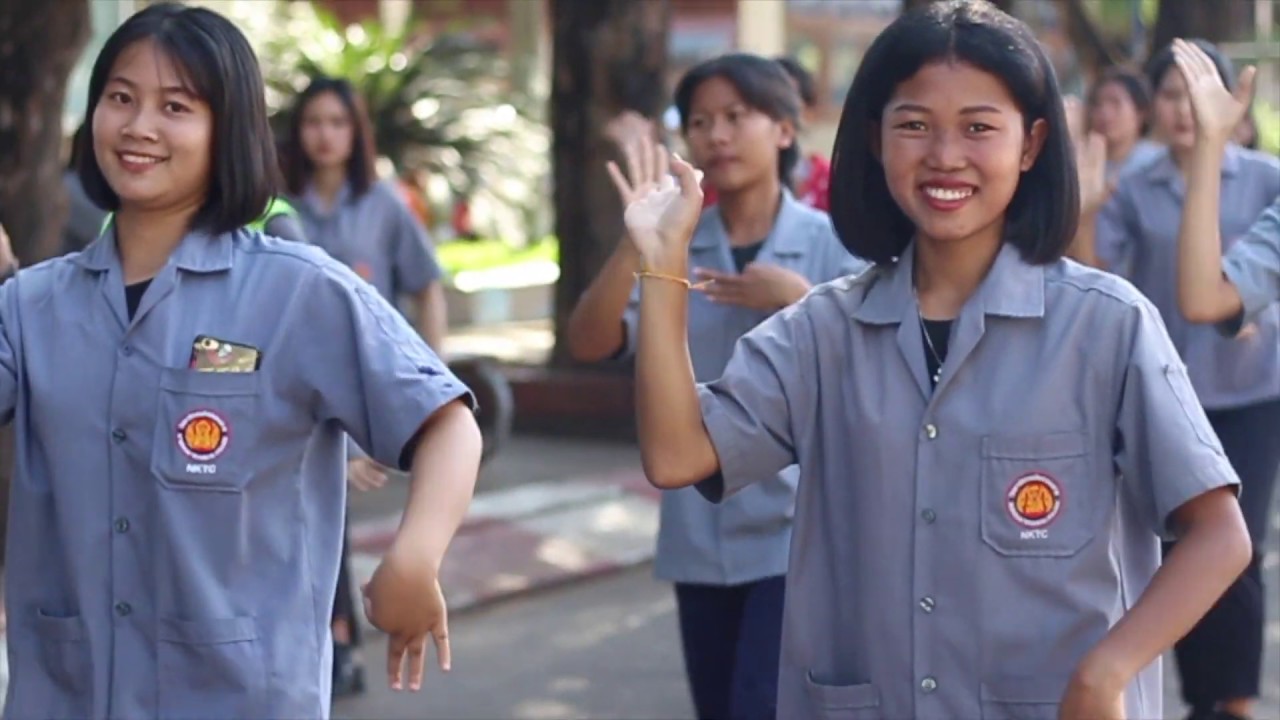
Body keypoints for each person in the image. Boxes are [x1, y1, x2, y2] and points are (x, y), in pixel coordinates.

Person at [614, 2, 1253, 719]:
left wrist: (1107, 671)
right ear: (876, 140)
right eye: (914, 125)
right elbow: (677, 456)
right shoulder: (823, 331)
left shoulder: (1107, 325)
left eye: (979, 127)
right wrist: (663, 264)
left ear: (1032, 143)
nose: (945, 155)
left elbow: (1219, 534)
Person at [0, 5, 481, 718]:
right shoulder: (29, 306)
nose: (139, 126)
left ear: (228, 129)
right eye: (121, 98)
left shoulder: (300, 291)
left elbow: (446, 423)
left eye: (176, 107)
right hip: (66, 696)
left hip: (242, 696)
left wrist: (416, 555)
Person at [569, 53, 865, 719]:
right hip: (698, 535)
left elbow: (880, 362)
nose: (717, 135)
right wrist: (639, 243)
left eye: (737, 116)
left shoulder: (830, 243)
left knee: (760, 703)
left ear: (785, 129)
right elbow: (589, 341)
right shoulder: (675, 241)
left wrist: (800, 297)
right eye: (700, 121)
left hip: (797, 537)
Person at [1071, 37, 1280, 720]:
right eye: (1172, 94)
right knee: (1174, 548)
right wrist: (1088, 209)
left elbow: (1239, 286)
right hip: (1168, 392)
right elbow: (1101, 276)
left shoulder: (1265, 179)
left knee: (1239, 546)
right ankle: (1195, 697)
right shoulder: (1136, 188)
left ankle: (1234, 699)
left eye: (1199, 94)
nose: (1186, 108)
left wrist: (1253, 310)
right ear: (1153, 107)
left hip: (1249, 389)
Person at [282, 75, 453, 697]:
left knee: (331, 521)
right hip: (294, 391)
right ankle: (326, 647)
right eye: (313, 123)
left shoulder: (383, 203)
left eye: (338, 123)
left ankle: (339, 647)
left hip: (361, 388)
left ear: (356, 133)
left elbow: (426, 286)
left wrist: (432, 381)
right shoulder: (278, 204)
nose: (324, 136)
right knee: (306, 519)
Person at [1084, 66, 1163, 181]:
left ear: (1140, 112)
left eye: (1115, 103)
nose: (1104, 112)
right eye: (1097, 104)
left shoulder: (1158, 162)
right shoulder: (1084, 164)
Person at [775, 56, 832, 212]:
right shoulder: (727, 180)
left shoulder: (831, 183)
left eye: (786, 102)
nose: (777, 114)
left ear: (810, 112)